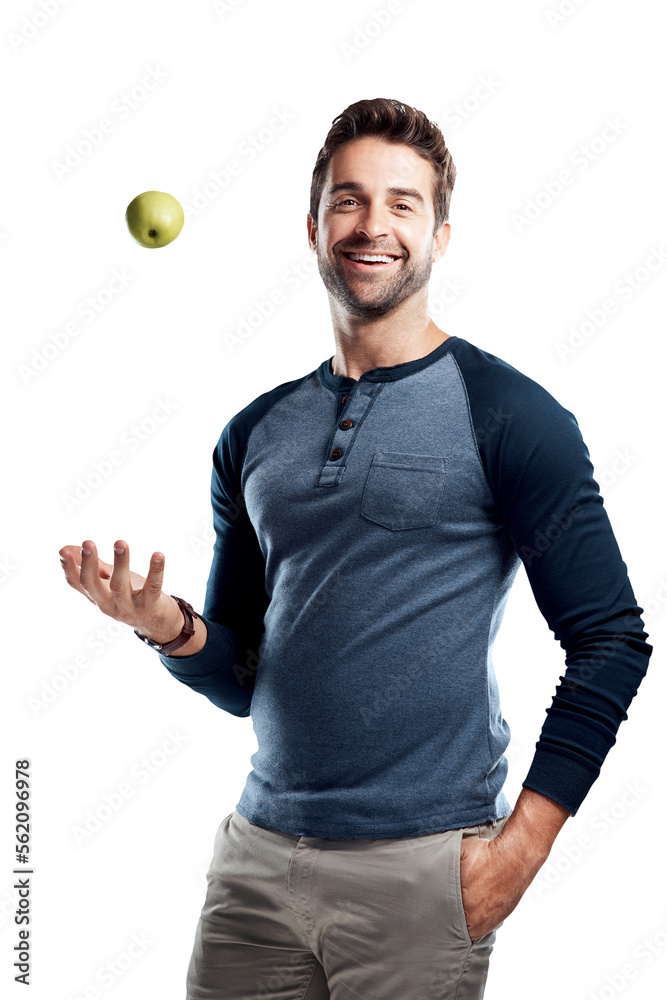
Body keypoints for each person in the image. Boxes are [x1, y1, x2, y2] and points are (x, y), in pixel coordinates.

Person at [59, 98, 653, 999]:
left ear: (440, 235)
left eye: (402, 204)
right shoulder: (253, 432)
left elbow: (611, 641)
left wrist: (517, 854)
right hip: (255, 863)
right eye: (348, 200)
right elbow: (244, 675)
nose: (373, 224)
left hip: (423, 875)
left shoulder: (510, 415)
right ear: (312, 227)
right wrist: (172, 630)